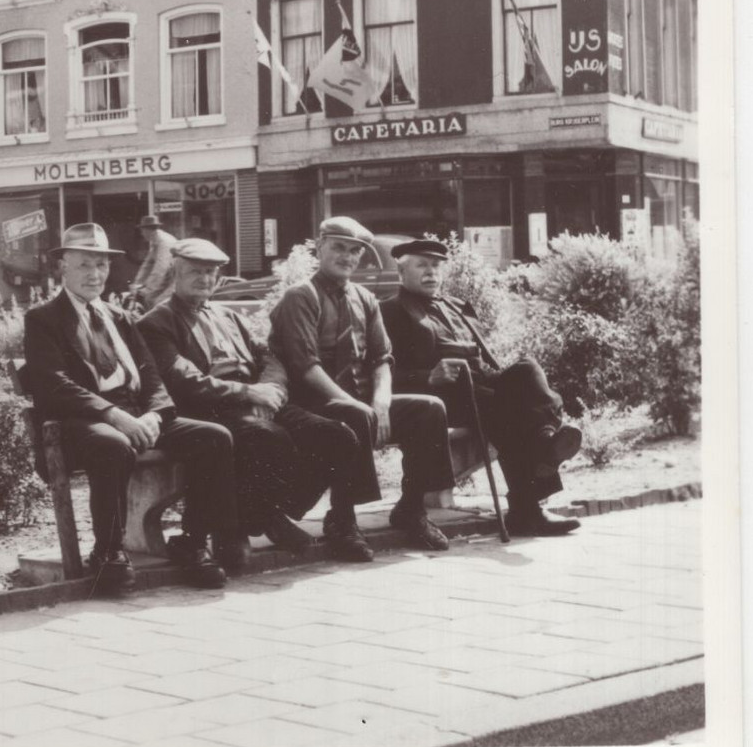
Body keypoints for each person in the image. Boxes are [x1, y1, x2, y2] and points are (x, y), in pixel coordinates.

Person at [23, 223, 240, 594]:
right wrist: (113, 415)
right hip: (83, 419)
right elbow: (53, 384)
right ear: (63, 267)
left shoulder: (119, 317)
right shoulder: (44, 319)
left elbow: (151, 375)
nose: (95, 275)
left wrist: (155, 414)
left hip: (136, 414)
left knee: (214, 437)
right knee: (113, 445)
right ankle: (109, 554)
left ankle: (191, 541)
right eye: (85, 265)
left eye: (102, 266)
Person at [137, 239, 366, 567]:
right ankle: (256, 521)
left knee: (337, 436)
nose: (204, 279)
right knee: (267, 437)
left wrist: (268, 388)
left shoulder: (229, 316)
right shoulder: (157, 323)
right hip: (212, 409)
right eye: (194, 272)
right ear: (176, 271)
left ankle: (265, 514)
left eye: (210, 272)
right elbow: (182, 379)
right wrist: (246, 394)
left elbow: (269, 356)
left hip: (258, 401)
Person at [267, 217, 458, 561]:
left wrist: (381, 402)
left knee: (429, 408)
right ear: (320, 247)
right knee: (353, 414)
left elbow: (382, 359)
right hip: (309, 405)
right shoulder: (300, 297)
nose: (347, 257)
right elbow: (305, 367)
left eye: (355, 251)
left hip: (358, 404)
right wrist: (361, 408)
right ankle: (342, 521)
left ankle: (411, 509)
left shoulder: (365, 299)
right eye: (339, 247)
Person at [380, 239, 582, 537]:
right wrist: (427, 377)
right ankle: (528, 508)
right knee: (509, 415)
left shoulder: (457, 307)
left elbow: (482, 361)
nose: (430, 272)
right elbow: (383, 369)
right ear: (401, 271)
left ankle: (545, 439)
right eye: (421, 265)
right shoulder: (391, 311)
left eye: (436, 265)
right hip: (439, 396)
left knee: (526, 368)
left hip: (479, 387)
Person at [129, 214, 178, 311]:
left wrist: (147, 289)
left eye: (142, 230)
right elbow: (147, 264)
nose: (142, 234)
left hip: (177, 278)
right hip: (168, 277)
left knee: (158, 303)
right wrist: (136, 283)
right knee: (148, 299)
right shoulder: (155, 240)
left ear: (148, 230)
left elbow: (160, 269)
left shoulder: (165, 242)